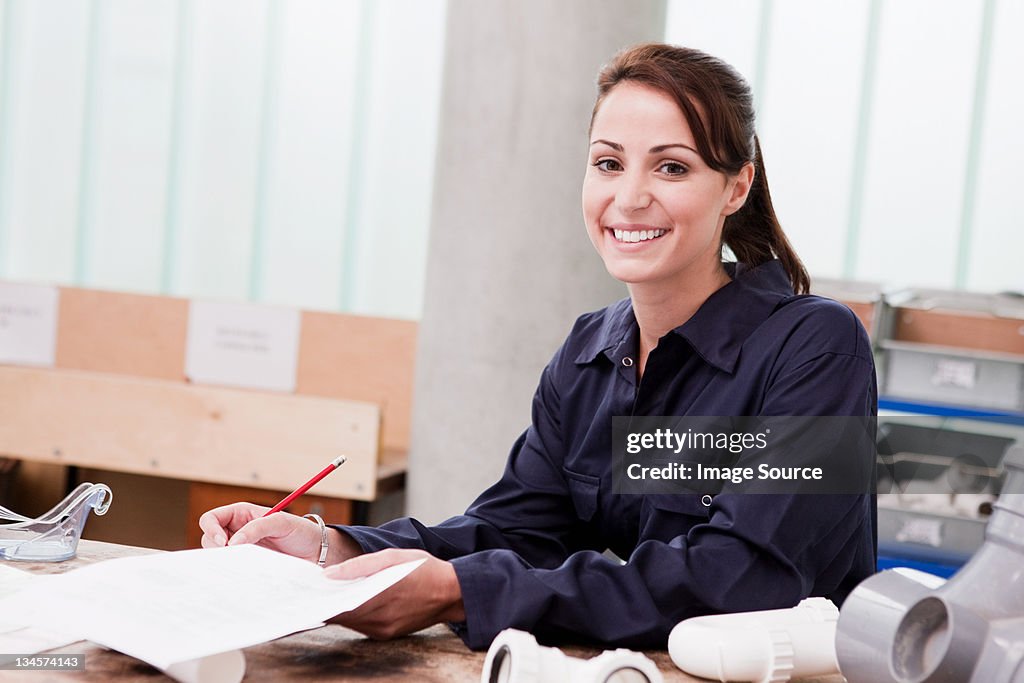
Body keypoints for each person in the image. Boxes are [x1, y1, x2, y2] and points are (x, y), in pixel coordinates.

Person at [199, 43, 876, 651]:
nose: (630, 196)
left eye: (671, 167)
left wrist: (460, 590)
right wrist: (329, 544)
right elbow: (513, 530)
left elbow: (741, 577)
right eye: (608, 163)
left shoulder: (816, 347)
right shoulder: (590, 353)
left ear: (736, 186)